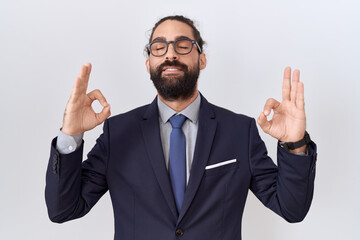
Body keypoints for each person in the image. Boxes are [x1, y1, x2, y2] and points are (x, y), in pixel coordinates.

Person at [45, 15, 317, 240]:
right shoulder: (118, 132)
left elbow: (291, 208)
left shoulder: (239, 131)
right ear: (148, 63)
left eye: (183, 45)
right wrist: (70, 135)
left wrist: (295, 144)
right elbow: (63, 209)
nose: (171, 54)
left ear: (202, 59)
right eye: (159, 47)